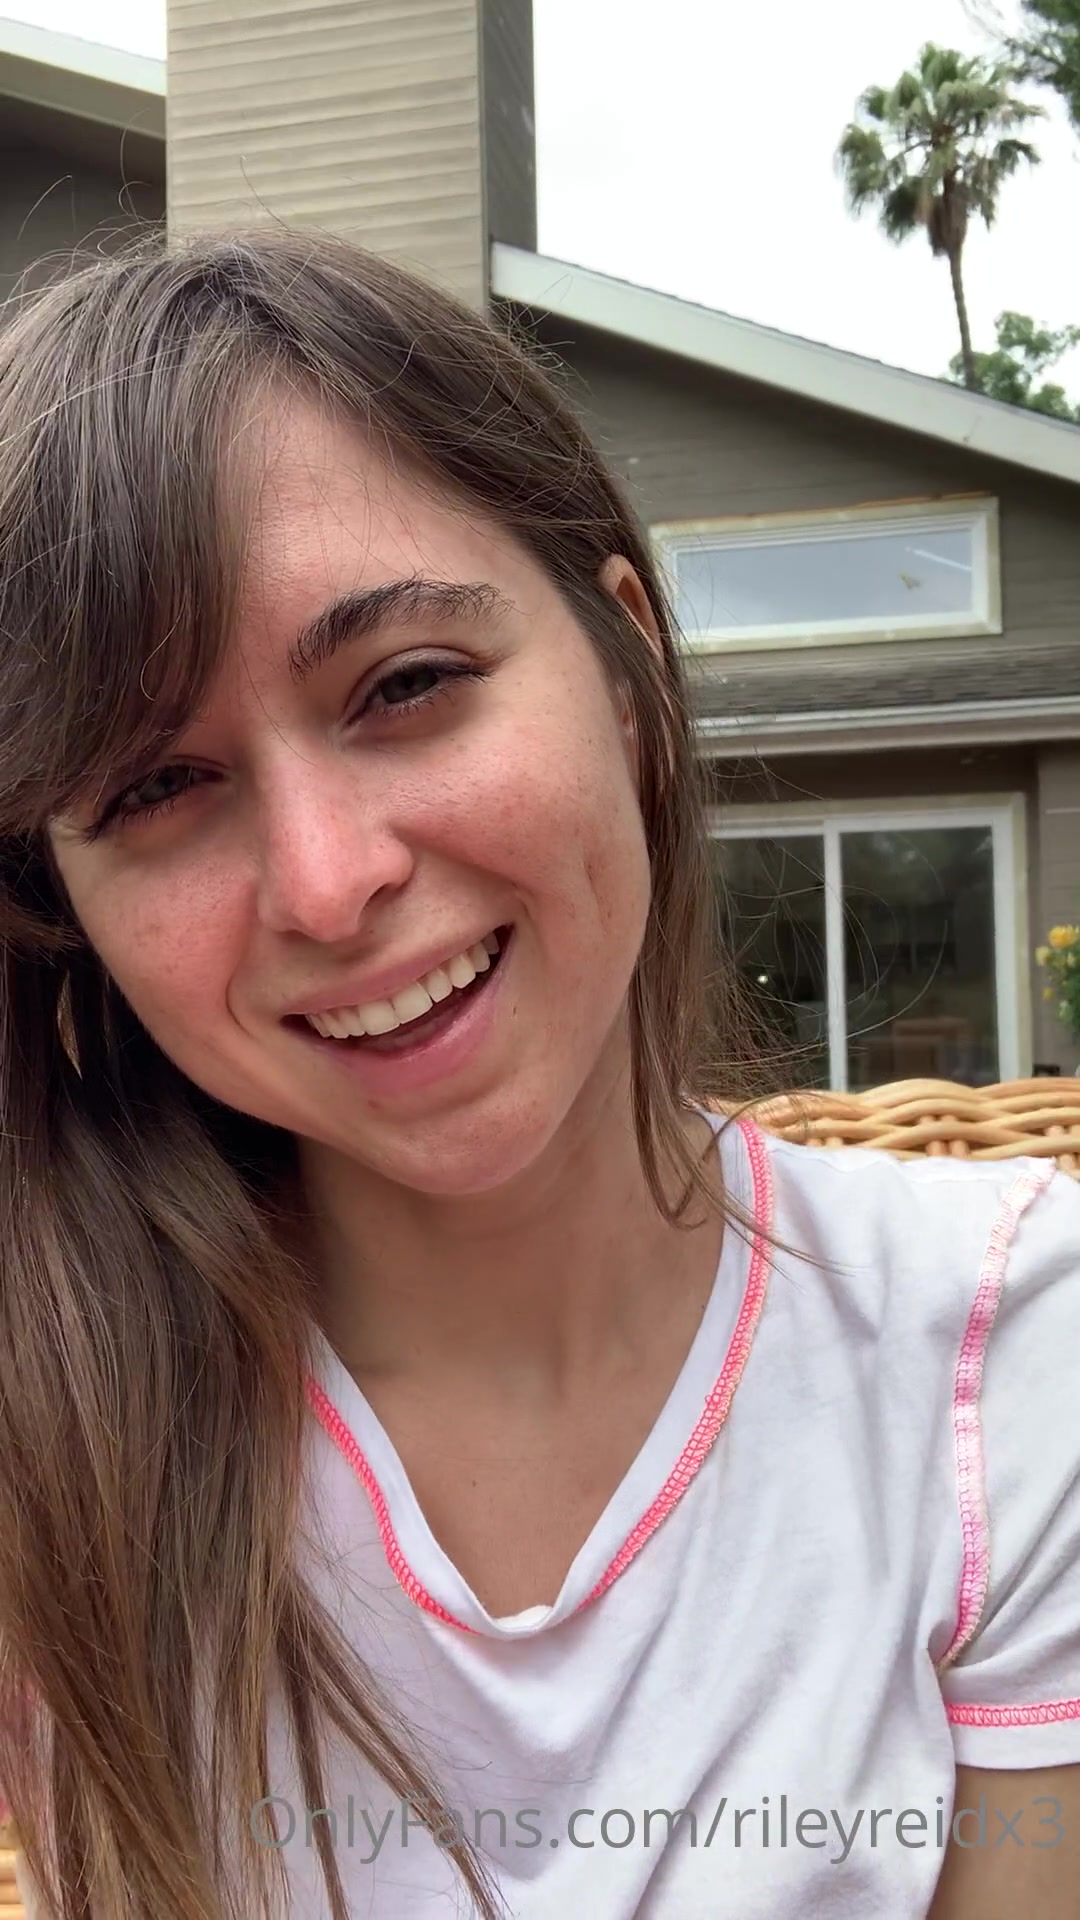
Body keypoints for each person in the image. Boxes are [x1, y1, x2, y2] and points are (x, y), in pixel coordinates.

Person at [0, 231, 1076, 1920]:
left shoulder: (1001, 1349)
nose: (327, 883)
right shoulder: (52, 1442)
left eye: (407, 684)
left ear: (627, 675)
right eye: (154, 787)